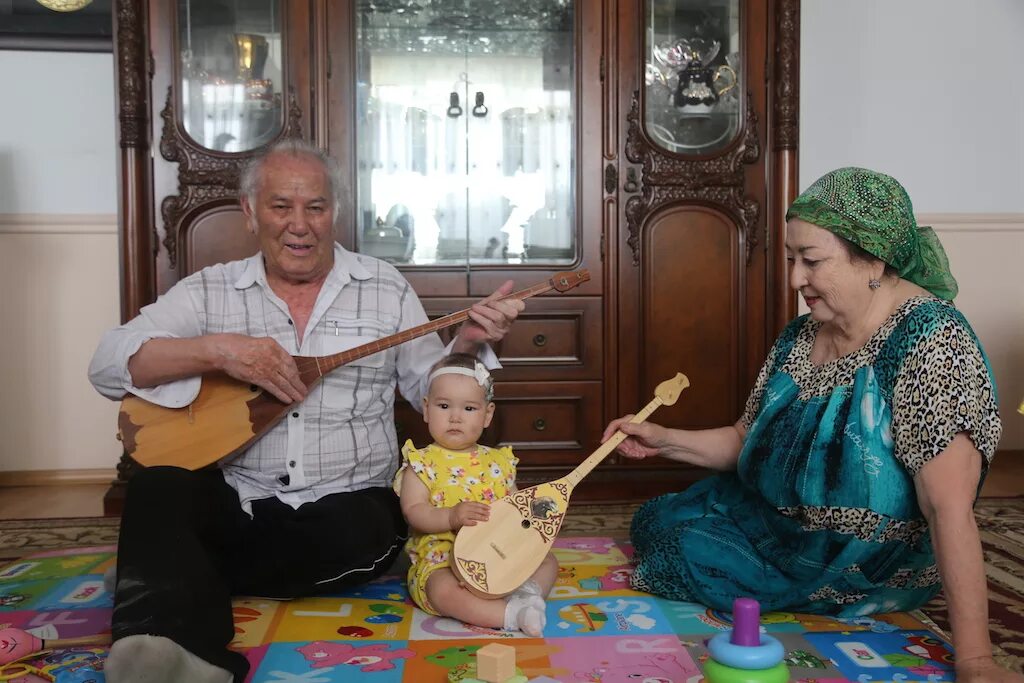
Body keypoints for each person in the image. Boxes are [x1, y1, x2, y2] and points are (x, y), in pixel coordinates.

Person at [87, 140, 524, 683]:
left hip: (348, 507)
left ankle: (164, 570)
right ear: (250, 212)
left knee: (367, 529)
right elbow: (107, 365)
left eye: (315, 207)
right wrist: (218, 351)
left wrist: (470, 344)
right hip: (239, 498)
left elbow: (427, 391)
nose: (300, 224)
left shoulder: (383, 287)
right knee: (157, 487)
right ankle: (163, 646)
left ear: (333, 212)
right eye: (280, 206)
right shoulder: (209, 290)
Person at [602, 167, 1020, 683]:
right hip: (780, 527)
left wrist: (977, 660)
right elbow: (744, 439)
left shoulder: (931, 344)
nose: (796, 279)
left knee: (671, 553)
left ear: (872, 259)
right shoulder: (802, 334)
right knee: (656, 520)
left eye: (812, 261)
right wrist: (663, 440)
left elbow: (947, 508)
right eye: (790, 259)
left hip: (862, 564)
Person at [393, 353, 558, 637]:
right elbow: (414, 511)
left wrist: (531, 526)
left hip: (497, 554)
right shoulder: (421, 463)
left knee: (547, 560)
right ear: (426, 409)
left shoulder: (499, 462)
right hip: (443, 559)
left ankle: (528, 594)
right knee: (440, 590)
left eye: (469, 408)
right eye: (444, 406)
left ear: (487, 415)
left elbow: (515, 509)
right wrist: (451, 516)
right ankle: (510, 614)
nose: (455, 417)